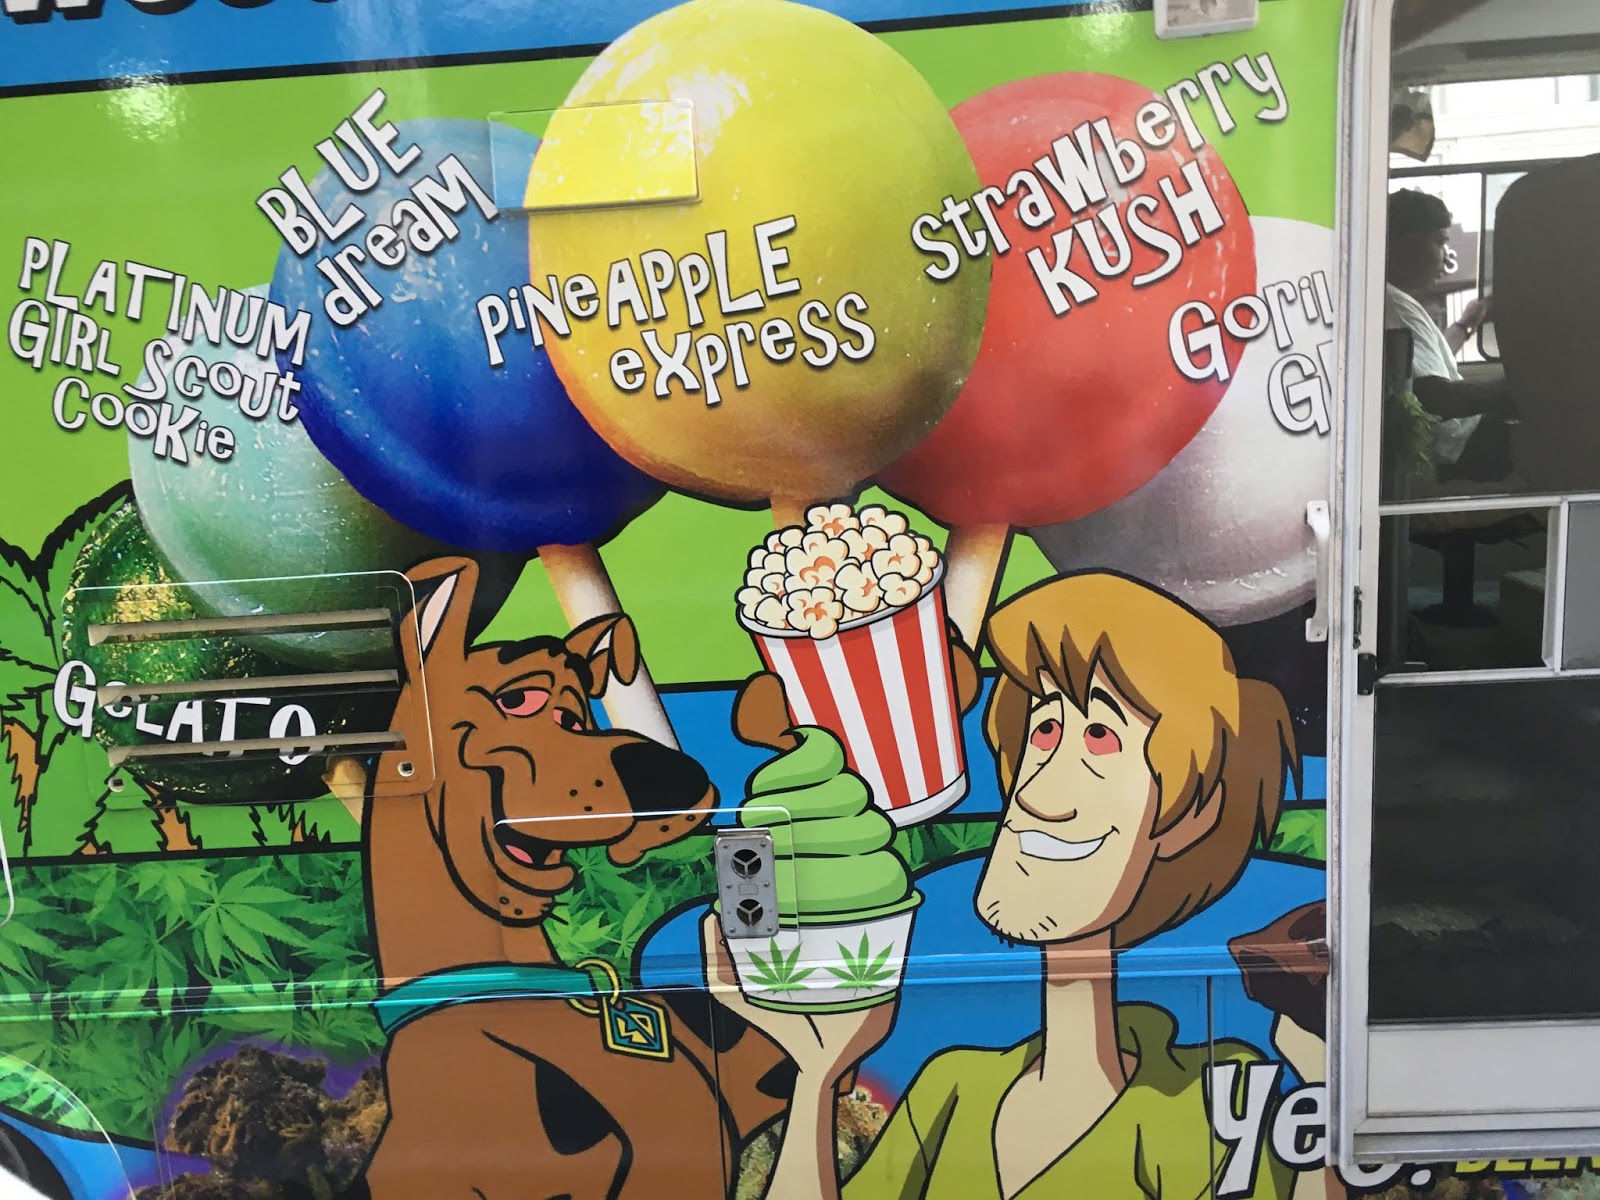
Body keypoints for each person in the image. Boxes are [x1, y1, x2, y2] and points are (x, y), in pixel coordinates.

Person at [706, 572, 1341, 1200]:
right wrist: (818, 1073)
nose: (1036, 793)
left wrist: (1322, 1077)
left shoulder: (1215, 1091)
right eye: (1045, 732)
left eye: (1100, 737)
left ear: (1190, 817)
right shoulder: (955, 1086)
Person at [1384, 188, 1514, 469]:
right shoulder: (1393, 307)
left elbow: (1427, 367)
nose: (1447, 257)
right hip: (1462, 449)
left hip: (1463, 438)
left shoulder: (1393, 301)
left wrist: (1467, 324)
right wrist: (1519, 391)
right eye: (1440, 242)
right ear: (1408, 243)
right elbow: (1433, 397)